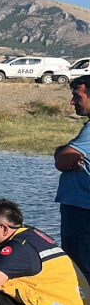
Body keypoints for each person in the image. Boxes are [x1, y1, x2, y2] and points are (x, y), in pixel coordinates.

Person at [54, 75, 90, 278]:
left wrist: (63, 153)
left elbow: (61, 162)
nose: (72, 102)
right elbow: (65, 155)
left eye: (77, 96)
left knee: (79, 270)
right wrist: (64, 152)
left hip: (81, 210)